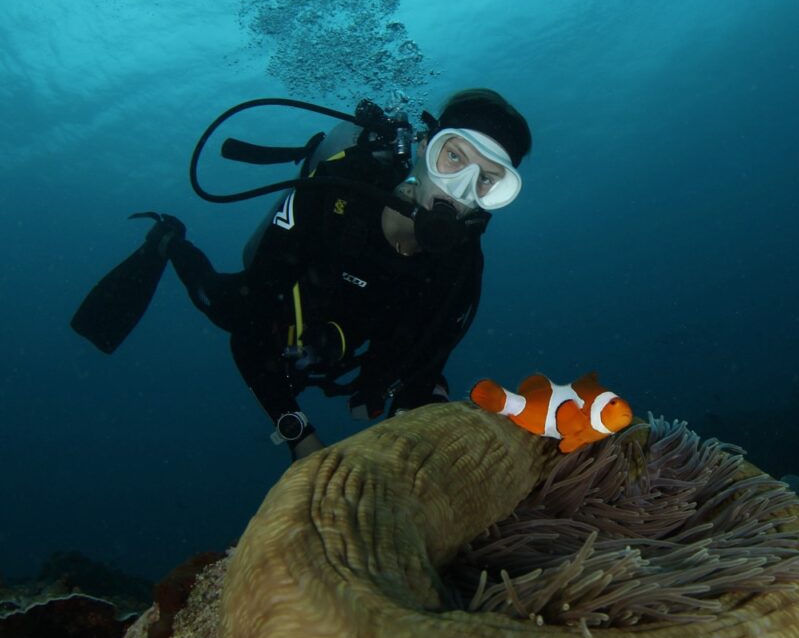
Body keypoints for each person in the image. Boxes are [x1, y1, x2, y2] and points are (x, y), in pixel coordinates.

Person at [72, 89, 531, 460]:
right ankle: (168, 240)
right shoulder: (335, 194)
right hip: (283, 297)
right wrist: (299, 435)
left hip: (349, 336)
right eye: (453, 158)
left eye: (488, 179)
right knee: (222, 305)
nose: (462, 189)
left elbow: (426, 370)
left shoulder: (461, 268)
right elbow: (248, 330)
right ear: (422, 149)